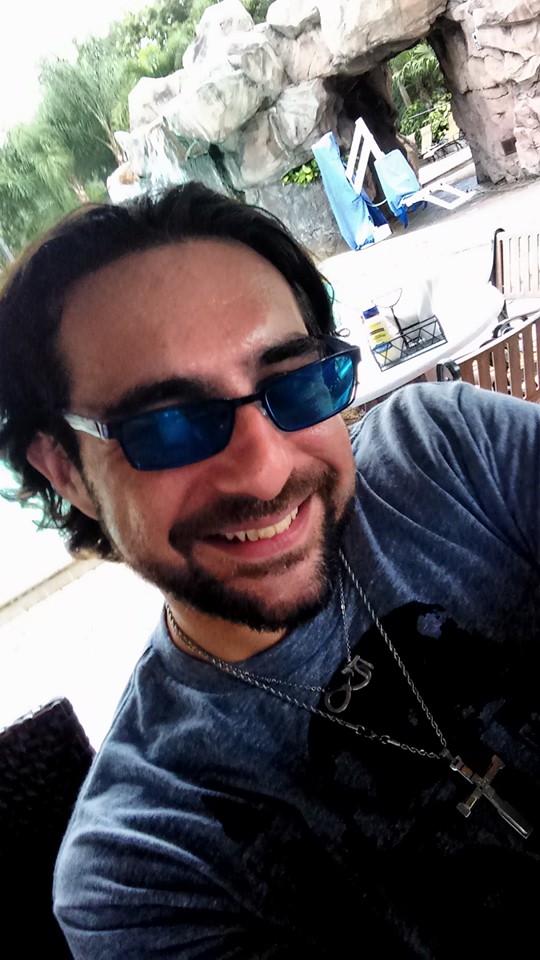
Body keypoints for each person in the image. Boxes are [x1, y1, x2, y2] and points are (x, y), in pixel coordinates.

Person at [0, 181, 539, 959]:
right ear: (66, 472)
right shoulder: (143, 866)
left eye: (294, 383)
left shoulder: (447, 454)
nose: (264, 470)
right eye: (168, 425)